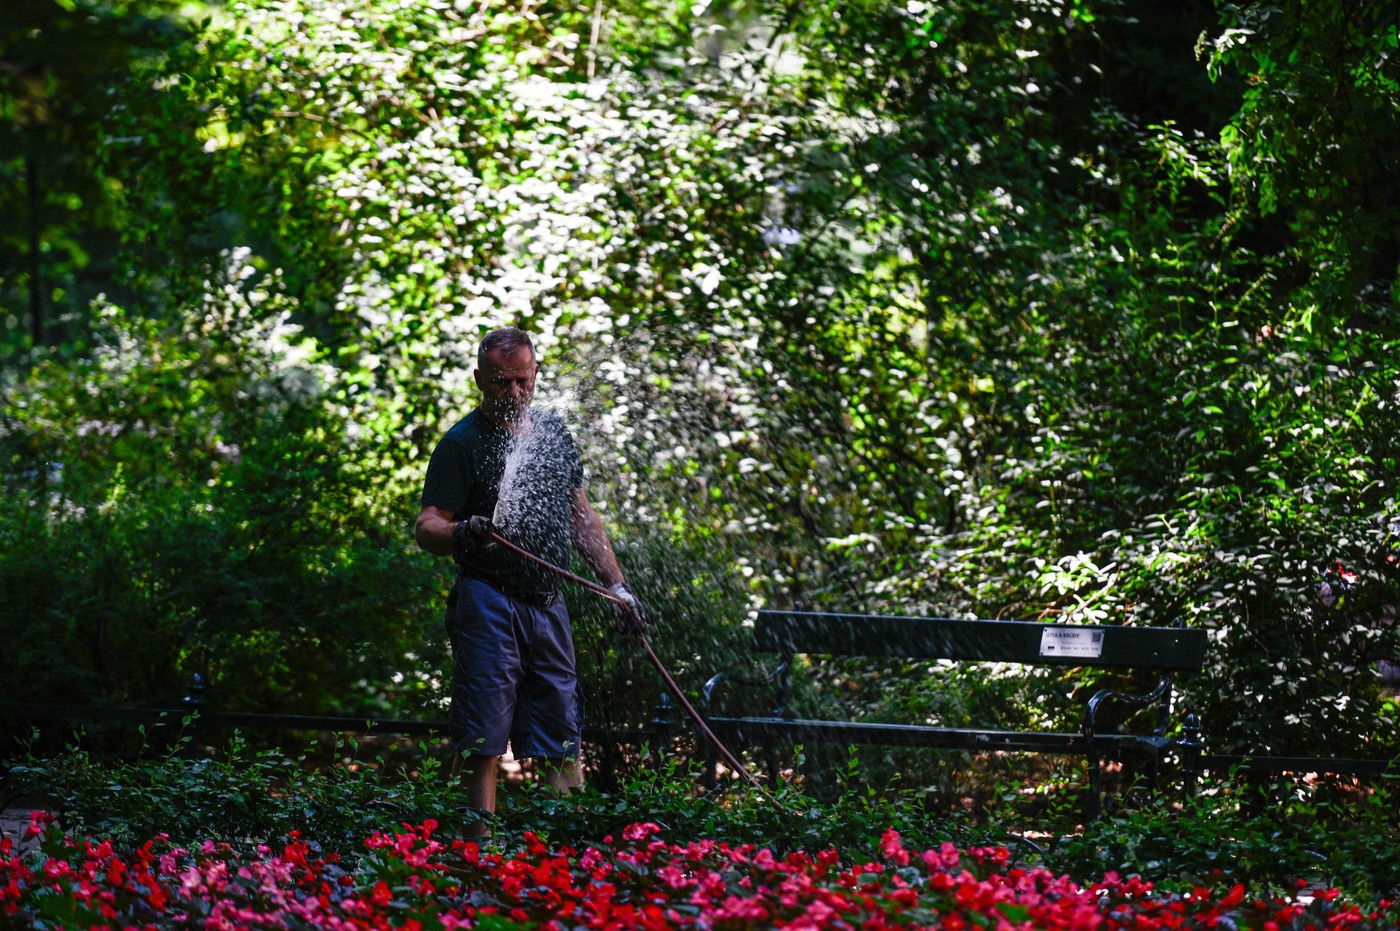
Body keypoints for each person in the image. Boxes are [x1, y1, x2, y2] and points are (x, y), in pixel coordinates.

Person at [414, 326, 644, 827]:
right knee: (483, 739)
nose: (512, 394)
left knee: (562, 732)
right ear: (479, 379)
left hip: (547, 602)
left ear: (536, 374)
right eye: (500, 383)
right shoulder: (461, 443)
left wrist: (617, 586)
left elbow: (581, 515)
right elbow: (426, 525)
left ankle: (564, 853)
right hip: (487, 600)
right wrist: (461, 532)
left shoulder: (553, 435)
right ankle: (478, 852)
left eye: (521, 381)